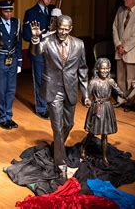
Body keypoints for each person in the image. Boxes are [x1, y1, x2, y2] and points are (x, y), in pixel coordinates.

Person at [30, 15, 90, 174]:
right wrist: (35, 39)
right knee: (57, 127)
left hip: (70, 89)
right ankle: (60, 164)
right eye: (60, 28)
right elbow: (36, 52)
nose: (62, 32)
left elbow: (83, 69)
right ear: (56, 27)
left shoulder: (79, 44)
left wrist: (86, 93)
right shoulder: (48, 41)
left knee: (69, 124)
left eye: (66, 29)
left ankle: (57, 146)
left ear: (71, 29)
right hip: (53, 89)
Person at [81, 58, 135, 166]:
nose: (105, 71)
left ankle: (104, 157)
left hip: (106, 108)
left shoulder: (110, 81)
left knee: (104, 134)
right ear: (98, 69)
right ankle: (83, 149)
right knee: (92, 132)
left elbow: (123, 95)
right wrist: (86, 100)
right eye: (103, 68)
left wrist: (131, 88)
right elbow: (86, 96)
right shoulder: (93, 82)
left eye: (107, 68)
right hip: (96, 109)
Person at [0, 0, 23, 130]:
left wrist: (19, 62)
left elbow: (18, 43)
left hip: (12, 60)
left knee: (11, 90)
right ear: (0, 11)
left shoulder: (16, 22)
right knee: (1, 90)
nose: (9, 13)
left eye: (10, 10)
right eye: (6, 11)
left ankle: (9, 115)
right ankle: (1, 117)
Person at [23, 0, 57, 119]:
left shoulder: (53, 11)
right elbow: (26, 35)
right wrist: (40, 36)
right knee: (40, 81)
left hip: (52, 50)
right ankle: (41, 107)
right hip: (38, 51)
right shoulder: (31, 13)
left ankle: (51, 104)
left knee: (52, 80)